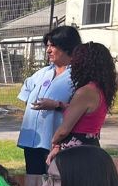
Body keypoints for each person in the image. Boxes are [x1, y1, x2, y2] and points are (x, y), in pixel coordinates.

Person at [16, 26, 81, 178]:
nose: (48, 50)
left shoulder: (77, 77)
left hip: (56, 142)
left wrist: (56, 105)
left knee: (55, 183)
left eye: (53, 46)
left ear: (67, 47)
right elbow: (26, 92)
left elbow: (82, 110)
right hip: (32, 142)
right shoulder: (43, 73)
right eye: (47, 46)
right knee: (34, 183)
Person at [48, 41, 117, 160]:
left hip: (76, 150)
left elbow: (64, 130)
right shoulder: (101, 90)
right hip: (92, 147)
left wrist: (54, 141)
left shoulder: (85, 92)